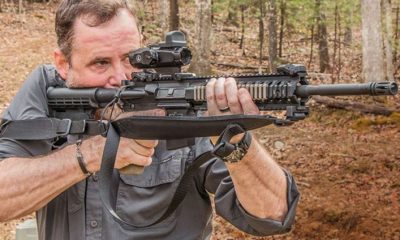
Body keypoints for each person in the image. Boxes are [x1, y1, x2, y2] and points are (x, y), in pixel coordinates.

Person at [0, 0, 299, 239]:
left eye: (132, 58)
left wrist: (236, 141)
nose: (120, 78)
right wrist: (93, 154)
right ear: (63, 64)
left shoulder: (179, 98)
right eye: (100, 62)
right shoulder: (46, 90)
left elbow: (272, 216)